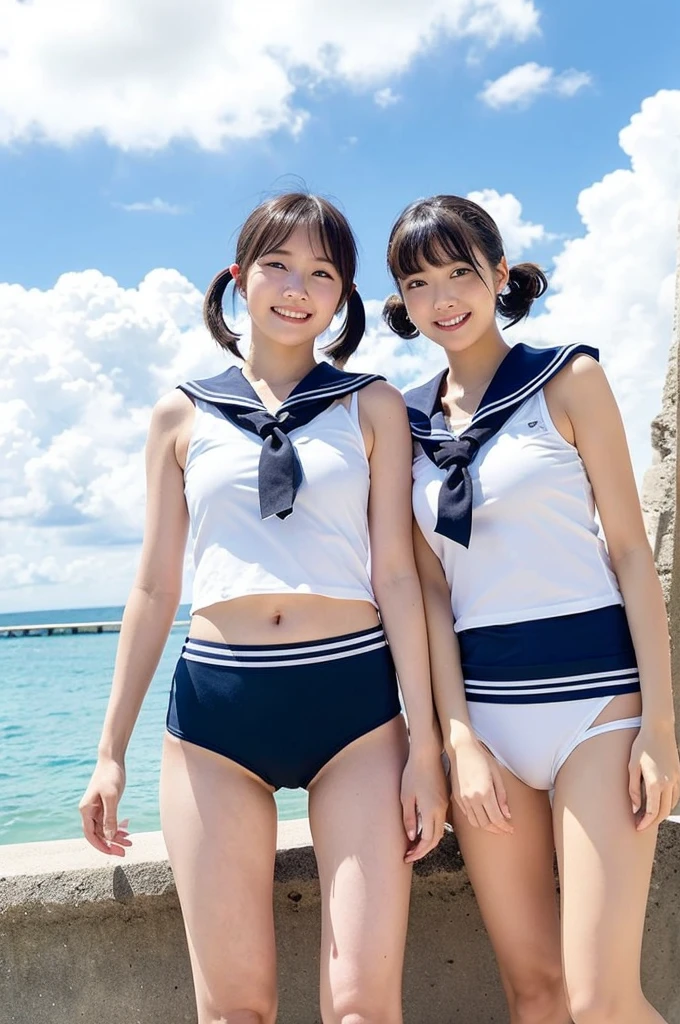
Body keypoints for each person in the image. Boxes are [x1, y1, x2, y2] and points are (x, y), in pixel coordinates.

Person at [79, 192, 447, 1024]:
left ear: (343, 296)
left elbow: (397, 578)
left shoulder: (373, 406)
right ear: (238, 277)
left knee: (360, 1008)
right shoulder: (182, 411)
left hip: (354, 711)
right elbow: (153, 586)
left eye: (322, 271)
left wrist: (425, 748)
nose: (297, 286)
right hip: (217, 716)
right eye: (278, 263)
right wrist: (109, 752)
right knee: (236, 1009)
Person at [382, 193, 680, 1024]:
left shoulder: (569, 378)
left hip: (598, 708)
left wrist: (660, 728)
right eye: (417, 283)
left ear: (499, 274)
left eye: (458, 272)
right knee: (537, 995)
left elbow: (631, 554)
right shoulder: (401, 421)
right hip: (489, 721)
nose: (442, 298)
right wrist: (455, 740)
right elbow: (431, 593)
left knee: (599, 999)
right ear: (401, 303)